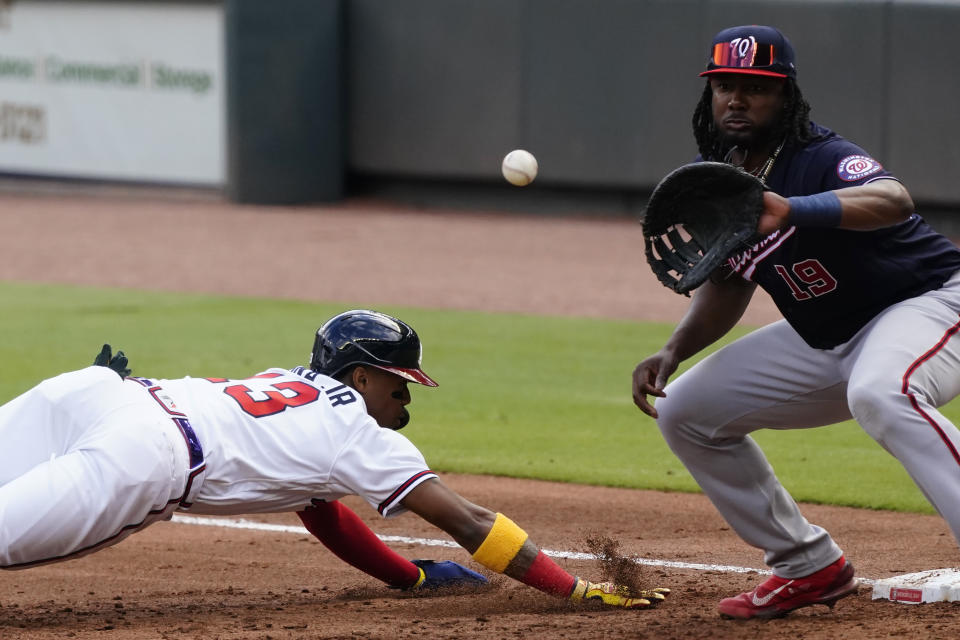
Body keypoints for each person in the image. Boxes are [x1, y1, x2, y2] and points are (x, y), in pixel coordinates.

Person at [0, 310, 665, 609]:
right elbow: (467, 521)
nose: (407, 396)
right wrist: (572, 590)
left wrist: (410, 579)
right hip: (142, 456)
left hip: (98, 392)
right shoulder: (360, 435)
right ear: (360, 376)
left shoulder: (291, 390)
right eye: (399, 380)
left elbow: (321, 513)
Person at [632, 25, 960, 620]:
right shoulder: (721, 177)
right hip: (833, 334)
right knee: (685, 411)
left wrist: (796, 208)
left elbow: (893, 199)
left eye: (755, 87)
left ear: (785, 96)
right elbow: (731, 281)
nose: (737, 99)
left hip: (931, 302)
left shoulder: (820, 156)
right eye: (725, 85)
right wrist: (674, 349)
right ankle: (807, 565)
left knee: (882, 392)